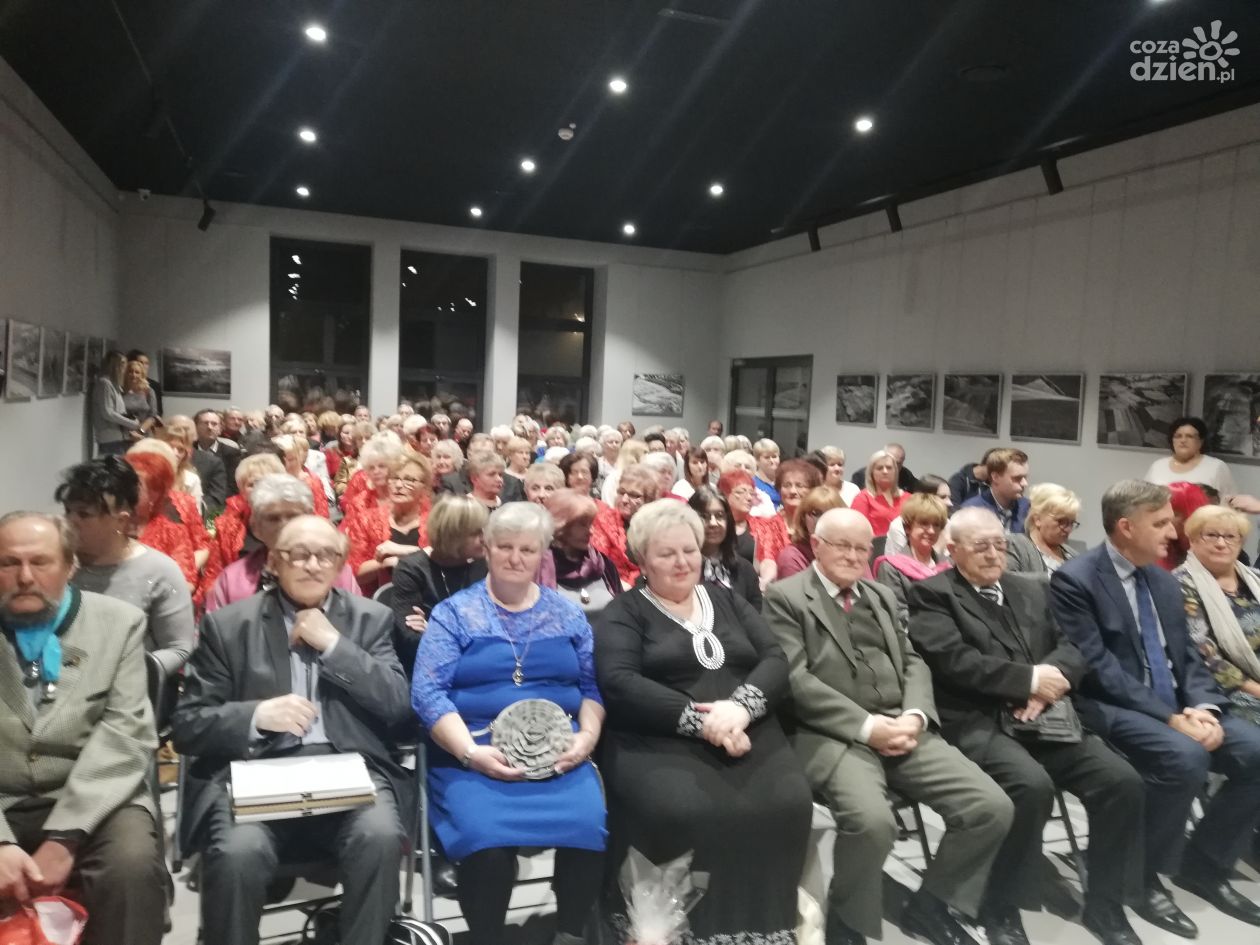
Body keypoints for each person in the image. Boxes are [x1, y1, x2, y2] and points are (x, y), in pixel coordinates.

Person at [764, 509, 1012, 945]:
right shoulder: (784, 598)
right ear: (816, 545)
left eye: (862, 548)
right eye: (842, 545)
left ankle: (931, 905)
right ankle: (847, 921)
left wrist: (915, 715)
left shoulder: (879, 594)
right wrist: (866, 726)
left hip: (902, 724)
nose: (853, 556)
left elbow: (913, 660)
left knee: (991, 807)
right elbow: (794, 679)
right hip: (833, 735)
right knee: (874, 823)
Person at [908, 507, 1146, 945]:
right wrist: (1029, 681)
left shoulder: (1034, 586)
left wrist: (1047, 686)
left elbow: (1074, 645)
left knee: (1122, 781)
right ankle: (1000, 907)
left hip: (1048, 716)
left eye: (1000, 544)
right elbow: (953, 662)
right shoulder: (932, 594)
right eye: (981, 546)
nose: (993, 554)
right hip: (979, 718)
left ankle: (1106, 903)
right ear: (952, 549)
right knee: (1030, 786)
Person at [172, 516, 412, 945]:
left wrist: (336, 646)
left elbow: (397, 705)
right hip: (257, 771)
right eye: (299, 554)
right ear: (274, 562)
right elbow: (188, 725)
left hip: (348, 769)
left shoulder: (370, 618)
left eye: (325, 555)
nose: (313, 565)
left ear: (340, 563)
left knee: (379, 836)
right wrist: (255, 715)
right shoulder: (229, 626)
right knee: (237, 853)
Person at [596, 499, 813, 944]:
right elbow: (619, 682)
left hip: (747, 726)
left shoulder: (727, 599)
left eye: (689, 550)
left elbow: (774, 658)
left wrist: (741, 708)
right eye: (667, 553)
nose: (682, 561)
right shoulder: (624, 612)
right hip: (656, 736)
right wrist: (702, 723)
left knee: (788, 803)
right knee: (683, 812)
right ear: (642, 561)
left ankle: (767, 931)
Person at [1051, 479, 1260, 935]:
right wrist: (1170, 717)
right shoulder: (1076, 579)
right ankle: (1143, 879)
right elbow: (1098, 668)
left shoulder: (1162, 581)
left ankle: (1204, 866)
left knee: (1256, 751)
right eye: (1162, 523)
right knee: (1184, 757)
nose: (1173, 532)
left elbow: (1188, 657)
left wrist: (1204, 707)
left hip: (1180, 705)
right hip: (1111, 705)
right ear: (1126, 526)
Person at [411, 502, 606, 945]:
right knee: (488, 843)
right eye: (504, 547)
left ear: (542, 555)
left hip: (559, 755)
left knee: (588, 826)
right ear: (486, 548)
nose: (515, 558)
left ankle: (570, 936)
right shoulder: (455, 614)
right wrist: (470, 753)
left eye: (527, 549)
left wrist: (588, 738)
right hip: (473, 757)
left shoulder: (567, 614)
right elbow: (427, 693)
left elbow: (592, 687)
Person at [0, 512, 167, 945]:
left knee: (131, 865)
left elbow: (126, 735)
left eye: (40, 562)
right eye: (9, 563)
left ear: (70, 565)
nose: (25, 577)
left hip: (96, 796)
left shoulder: (119, 623)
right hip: (5, 796)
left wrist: (65, 838)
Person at [57, 457, 195, 677]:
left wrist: (128, 676)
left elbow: (179, 647)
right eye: (68, 511)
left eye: (84, 514)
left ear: (121, 520)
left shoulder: (159, 571)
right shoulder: (54, 563)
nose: (69, 521)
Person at [204, 474, 361, 612]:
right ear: (256, 527)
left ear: (310, 518)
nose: (284, 525)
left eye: (293, 516)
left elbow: (359, 626)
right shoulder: (232, 580)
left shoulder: (336, 572)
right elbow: (218, 634)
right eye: (273, 518)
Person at [1175, 505, 1260, 726]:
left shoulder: (1256, 578)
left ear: (1240, 542)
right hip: (1230, 689)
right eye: (1211, 535)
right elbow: (1205, 654)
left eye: (1230, 536)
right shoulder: (1180, 584)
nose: (1221, 543)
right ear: (1193, 540)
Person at [390, 495, 489, 675]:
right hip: (429, 670)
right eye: (477, 533)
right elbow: (411, 640)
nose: (485, 538)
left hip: (479, 665)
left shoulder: (483, 564)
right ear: (452, 535)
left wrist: (435, 632)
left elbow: (496, 628)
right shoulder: (411, 569)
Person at [344, 453, 432, 595]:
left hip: (427, 597)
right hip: (377, 599)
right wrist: (383, 563)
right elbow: (354, 572)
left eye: (409, 480)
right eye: (394, 478)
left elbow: (446, 562)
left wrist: (405, 551)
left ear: (425, 487)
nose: (398, 485)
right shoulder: (366, 519)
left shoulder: (435, 521)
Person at [538, 488, 622, 617]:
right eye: (583, 525)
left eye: (591, 524)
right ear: (561, 526)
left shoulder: (602, 563)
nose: (591, 531)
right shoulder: (541, 567)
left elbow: (623, 610)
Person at [874, 493, 953, 624]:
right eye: (924, 524)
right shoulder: (890, 567)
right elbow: (897, 612)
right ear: (908, 527)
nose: (931, 531)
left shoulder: (949, 565)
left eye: (936, 525)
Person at [688, 486, 764, 609]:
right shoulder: (681, 568)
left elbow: (756, 615)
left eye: (719, 516)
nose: (713, 523)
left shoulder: (745, 570)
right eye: (705, 516)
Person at [210, 452, 286, 569]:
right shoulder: (226, 526)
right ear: (242, 490)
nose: (259, 488)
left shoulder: (294, 523)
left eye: (266, 482)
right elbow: (215, 571)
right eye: (252, 484)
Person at [591, 464, 660, 588]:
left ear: (649, 500)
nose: (624, 500)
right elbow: (597, 565)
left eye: (634, 495)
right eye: (621, 492)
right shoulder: (601, 520)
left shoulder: (659, 528)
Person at [718, 469, 790, 585]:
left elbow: (768, 559)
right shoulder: (715, 525)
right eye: (741, 492)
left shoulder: (762, 526)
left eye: (751, 493)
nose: (749, 497)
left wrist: (765, 580)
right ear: (725, 495)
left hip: (750, 585)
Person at [1146, 416, 1237, 499]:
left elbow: (1230, 502)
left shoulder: (1216, 467)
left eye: (1189, 436)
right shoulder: (1158, 466)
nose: (1183, 440)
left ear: (1201, 441)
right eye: (1178, 436)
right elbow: (1145, 500)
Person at [1004, 483, 1081, 576]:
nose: (1068, 529)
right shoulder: (1014, 545)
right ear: (1038, 519)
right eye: (1061, 521)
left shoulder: (1075, 557)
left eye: (1071, 523)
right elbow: (1010, 582)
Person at [775, 485, 848, 582]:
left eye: (831, 513)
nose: (823, 519)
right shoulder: (792, 557)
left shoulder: (852, 552)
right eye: (816, 513)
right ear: (803, 518)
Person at [92, 350, 149, 454]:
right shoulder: (105, 383)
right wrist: (132, 423)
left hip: (120, 436)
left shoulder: (115, 385)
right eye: (122, 364)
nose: (124, 369)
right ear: (114, 365)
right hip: (110, 437)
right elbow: (108, 413)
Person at [883, 473, 953, 559]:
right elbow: (900, 563)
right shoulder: (899, 526)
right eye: (943, 497)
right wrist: (937, 548)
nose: (950, 503)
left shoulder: (948, 524)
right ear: (925, 498)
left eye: (949, 497)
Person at [167, 414, 226, 513]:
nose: (180, 434)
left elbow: (216, 498)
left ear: (195, 435)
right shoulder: (151, 459)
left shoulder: (212, 462)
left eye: (185, 430)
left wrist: (192, 509)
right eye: (175, 429)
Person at [961, 449, 1031, 534]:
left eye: (1025, 477)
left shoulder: (1028, 508)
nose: (1025, 483)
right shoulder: (971, 511)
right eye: (1017, 478)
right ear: (995, 477)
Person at [849, 450, 908, 539]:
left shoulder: (908, 498)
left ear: (895, 471)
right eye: (880, 468)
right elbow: (856, 531)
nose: (885, 471)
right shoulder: (863, 498)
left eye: (889, 468)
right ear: (871, 473)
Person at [1157, 481, 1210, 572]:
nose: (1162, 518)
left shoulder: (1213, 549)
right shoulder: (1157, 545)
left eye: (1174, 513)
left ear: (1190, 516)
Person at [158, 422, 205, 513]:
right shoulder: (143, 474)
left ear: (185, 455)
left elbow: (195, 516)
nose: (174, 453)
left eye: (180, 450)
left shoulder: (191, 480)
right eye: (170, 447)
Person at [194, 409, 243, 497]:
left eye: (214, 424)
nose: (209, 427)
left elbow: (232, 487)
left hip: (219, 501)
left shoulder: (232, 453)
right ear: (196, 427)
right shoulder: (188, 451)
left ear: (220, 429)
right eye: (205, 423)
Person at [851, 442, 918, 493]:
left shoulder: (906, 475)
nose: (895, 467)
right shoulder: (860, 475)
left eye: (899, 463)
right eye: (893, 462)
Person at [600, 438, 649, 505]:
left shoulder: (646, 476)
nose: (647, 456)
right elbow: (608, 502)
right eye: (645, 453)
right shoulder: (614, 477)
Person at [121, 358, 160, 433]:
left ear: (142, 375)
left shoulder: (148, 391)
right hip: (122, 434)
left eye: (137, 372)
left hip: (143, 433)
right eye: (130, 371)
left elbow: (153, 416)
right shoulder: (120, 391)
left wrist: (140, 431)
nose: (134, 375)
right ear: (126, 373)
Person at [126, 348, 163, 415]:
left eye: (146, 363)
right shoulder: (123, 385)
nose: (144, 366)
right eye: (141, 362)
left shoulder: (154, 386)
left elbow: (158, 412)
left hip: (147, 420)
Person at [751, 438, 782, 508]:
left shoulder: (784, 479)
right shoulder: (752, 483)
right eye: (767, 457)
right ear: (757, 460)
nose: (772, 461)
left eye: (774, 457)